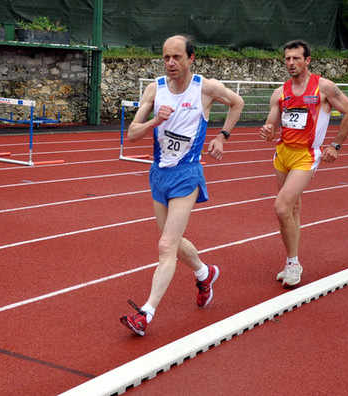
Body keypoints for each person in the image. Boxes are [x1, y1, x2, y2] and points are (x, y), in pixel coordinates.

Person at [120, 35, 244, 336]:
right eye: (166, 58)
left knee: (165, 246)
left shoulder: (205, 88)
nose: (171, 63)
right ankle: (205, 273)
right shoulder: (155, 89)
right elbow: (131, 134)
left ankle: (145, 314)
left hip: (187, 173)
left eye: (177, 57)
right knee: (171, 241)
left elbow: (236, 103)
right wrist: (153, 122)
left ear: (190, 58)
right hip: (159, 174)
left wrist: (221, 137)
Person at [259, 39, 348, 287]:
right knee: (292, 209)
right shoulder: (280, 92)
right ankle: (291, 261)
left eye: (296, 58)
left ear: (307, 60)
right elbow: (272, 125)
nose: (291, 63)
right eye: (287, 59)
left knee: (282, 207)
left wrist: (335, 145)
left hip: (306, 155)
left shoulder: (323, 88)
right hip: (282, 154)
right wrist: (268, 130)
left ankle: (294, 264)